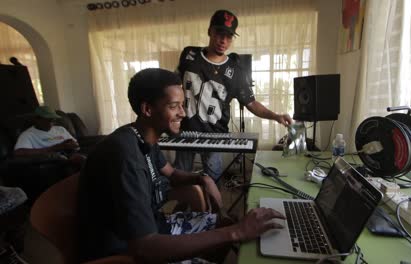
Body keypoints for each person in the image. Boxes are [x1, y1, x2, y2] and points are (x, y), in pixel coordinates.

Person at [77, 68, 285, 263]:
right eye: (174, 106)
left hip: (155, 229)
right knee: (232, 231)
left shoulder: (143, 138)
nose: (183, 113)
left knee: (225, 225)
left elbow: (172, 174)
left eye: (183, 105)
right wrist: (237, 232)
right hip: (127, 252)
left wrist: (203, 178)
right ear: (147, 109)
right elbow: (144, 247)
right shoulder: (125, 157)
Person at [174, 9, 293, 181]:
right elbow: (173, 86)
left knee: (212, 182)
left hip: (215, 136)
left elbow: (251, 103)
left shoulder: (236, 70)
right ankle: (185, 206)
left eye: (229, 36)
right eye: (219, 33)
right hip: (186, 131)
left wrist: (276, 116)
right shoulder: (189, 54)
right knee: (180, 179)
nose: (223, 40)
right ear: (210, 31)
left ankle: (209, 208)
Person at [14, 105, 80, 159]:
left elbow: (76, 144)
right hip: (52, 161)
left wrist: (72, 144)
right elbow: (19, 152)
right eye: (49, 120)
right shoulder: (28, 134)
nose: (53, 123)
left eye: (54, 119)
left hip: (71, 156)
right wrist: (54, 148)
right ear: (37, 119)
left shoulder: (60, 129)